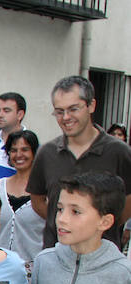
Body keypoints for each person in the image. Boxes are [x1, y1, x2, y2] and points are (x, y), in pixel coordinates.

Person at [29, 76, 131, 249]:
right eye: (59, 111)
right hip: (56, 254)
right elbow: (37, 200)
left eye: (73, 109)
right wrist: (66, 224)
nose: (66, 117)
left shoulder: (119, 152)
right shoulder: (46, 153)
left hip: (101, 258)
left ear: (91, 105)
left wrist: (96, 228)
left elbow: (128, 200)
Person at [0, 130, 46, 271]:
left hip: (35, 270)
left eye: (25, 149)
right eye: (14, 150)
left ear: (34, 153)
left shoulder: (45, 191)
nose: (19, 155)